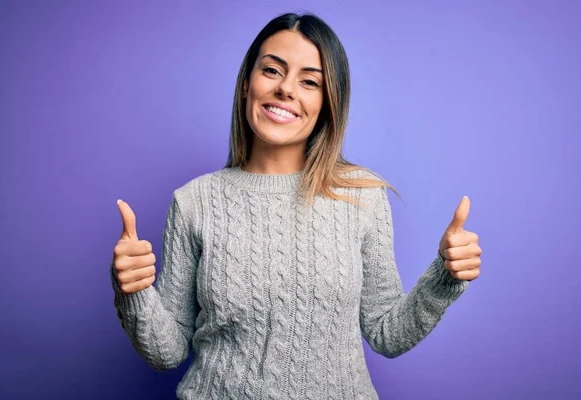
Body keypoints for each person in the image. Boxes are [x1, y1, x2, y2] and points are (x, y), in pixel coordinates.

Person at [110, 12, 482, 400]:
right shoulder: (194, 202)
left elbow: (387, 333)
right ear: (246, 85)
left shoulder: (363, 196)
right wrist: (132, 290)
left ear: (327, 103)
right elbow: (168, 352)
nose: (287, 89)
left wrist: (446, 277)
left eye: (309, 81)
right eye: (272, 70)